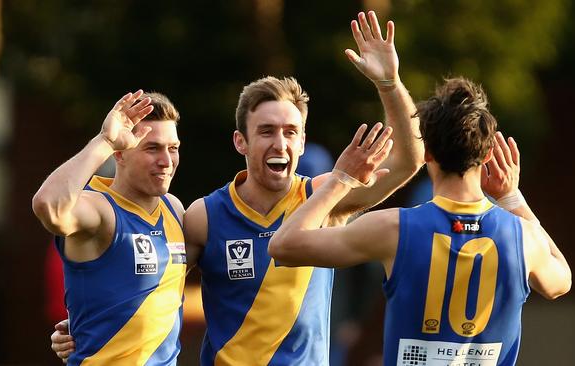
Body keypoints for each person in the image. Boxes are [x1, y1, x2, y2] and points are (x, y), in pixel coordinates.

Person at [51, 10, 424, 365]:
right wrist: (85, 326)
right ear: (240, 142)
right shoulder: (202, 217)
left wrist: (389, 83)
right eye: (266, 131)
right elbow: (148, 281)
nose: (280, 143)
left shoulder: (325, 197)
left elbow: (409, 160)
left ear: (302, 141)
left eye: (290, 132)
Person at [268, 77, 572, 366]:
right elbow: (562, 281)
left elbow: (283, 245)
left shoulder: (393, 228)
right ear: (488, 152)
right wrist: (513, 199)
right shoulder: (524, 236)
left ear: (426, 152)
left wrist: (341, 179)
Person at [33, 90, 187, 365]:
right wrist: (104, 140)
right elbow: (49, 206)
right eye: (152, 148)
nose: (166, 161)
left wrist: (89, 317)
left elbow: (168, 281)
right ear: (120, 153)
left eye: (173, 148)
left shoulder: (174, 209)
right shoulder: (100, 210)